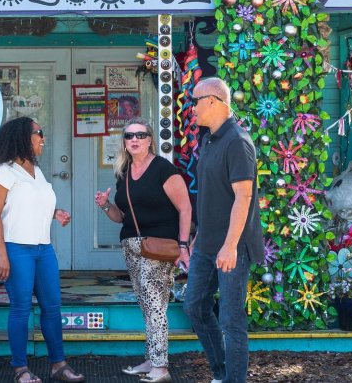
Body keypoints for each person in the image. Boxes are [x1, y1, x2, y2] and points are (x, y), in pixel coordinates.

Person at [0, 117, 84, 383]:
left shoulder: (36, 171)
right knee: (21, 308)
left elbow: (29, 204)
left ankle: (58, 365)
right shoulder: (2, 171)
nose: (43, 138)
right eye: (39, 133)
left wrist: (55, 213)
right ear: (22, 136)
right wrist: (1, 254)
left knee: (52, 307)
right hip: (15, 248)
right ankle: (20, 369)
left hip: (43, 248)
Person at [94, 118, 192, 383]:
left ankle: (160, 367)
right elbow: (121, 217)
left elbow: (185, 208)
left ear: (150, 140)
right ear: (124, 142)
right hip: (132, 246)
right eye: (129, 136)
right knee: (146, 305)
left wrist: (183, 245)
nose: (134, 140)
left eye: (140, 135)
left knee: (155, 305)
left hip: (158, 246)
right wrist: (105, 205)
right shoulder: (124, 172)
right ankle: (152, 359)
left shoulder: (163, 169)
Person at [183, 78, 262, 383]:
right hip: (206, 244)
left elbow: (244, 196)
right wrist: (198, 236)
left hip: (232, 246)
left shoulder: (237, 142)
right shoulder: (209, 140)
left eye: (195, 101)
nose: (192, 108)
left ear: (213, 101)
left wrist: (230, 246)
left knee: (231, 320)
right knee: (195, 307)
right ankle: (221, 374)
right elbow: (212, 195)